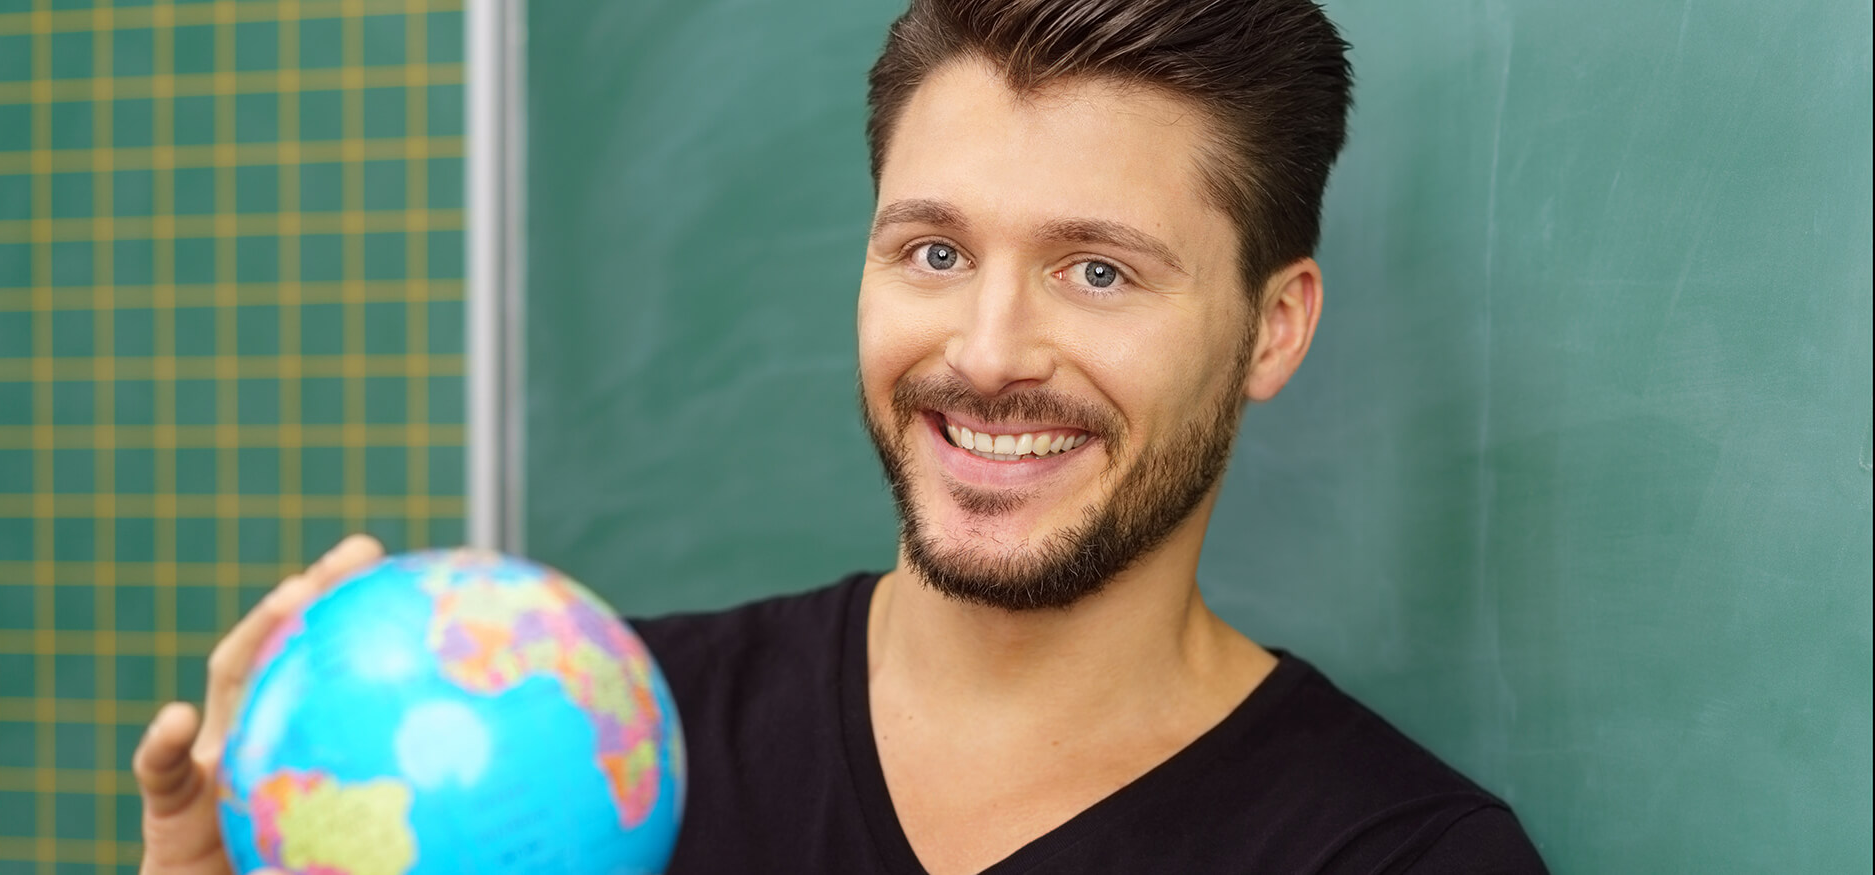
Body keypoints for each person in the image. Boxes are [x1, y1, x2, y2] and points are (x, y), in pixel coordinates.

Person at [136, 0, 1551, 871]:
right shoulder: (589, 755)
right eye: (932, 253)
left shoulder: (1396, 859)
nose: (987, 353)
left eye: (1099, 270)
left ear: (1272, 327)